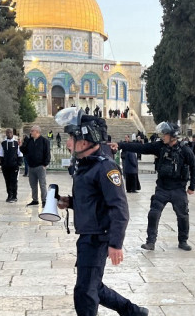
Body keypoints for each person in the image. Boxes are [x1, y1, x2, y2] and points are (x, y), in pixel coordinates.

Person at [55, 107, 149, 316]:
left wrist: (115, 244)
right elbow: (92, 200)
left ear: (85, 140)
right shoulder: (85, 165)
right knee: (93, 286)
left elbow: (119, 208)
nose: (68, 143)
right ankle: (133, 311)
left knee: (85, 292)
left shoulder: (106, 167)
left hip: (99, 238)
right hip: (87, 235)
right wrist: (68, 202)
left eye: (71, 138)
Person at [109, 122, 195, 251]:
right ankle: (150, 242)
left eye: (165, 134)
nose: (163, 136)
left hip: (178, 189)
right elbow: (142, 148)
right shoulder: (160, 147)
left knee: (183, 216)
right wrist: (121, 145)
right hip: (162, 188)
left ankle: (183, 241)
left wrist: (192, 187)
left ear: (173, 136)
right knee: (153, 214)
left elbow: (194, 166)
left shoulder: (185, 150)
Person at [20, 125, 50, 206]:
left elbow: (47, 153)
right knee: (33, 184)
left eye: (32, 131)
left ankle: (44, 200)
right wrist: (21, 146)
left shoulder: (44, 141)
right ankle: (35, 200)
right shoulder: (29, 141)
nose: (31, 132)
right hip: (31, 166)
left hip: (40, 166)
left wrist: (45, 164)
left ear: (37, 132)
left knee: (42, 184)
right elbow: (25, 151)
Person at [0, 128, 23, 203]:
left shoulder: (16, 143)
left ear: (12, 133)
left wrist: (18, 163)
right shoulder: (3, 143)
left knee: (14, 181)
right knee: (7, 181)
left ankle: (14, 196)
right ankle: (9, 195)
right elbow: (1, 154)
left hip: (14, 165)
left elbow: (20, 154)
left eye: (10, 132)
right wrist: (2, 164)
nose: (9, 134)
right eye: (7, 132)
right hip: (6, 166)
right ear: (6, 134)